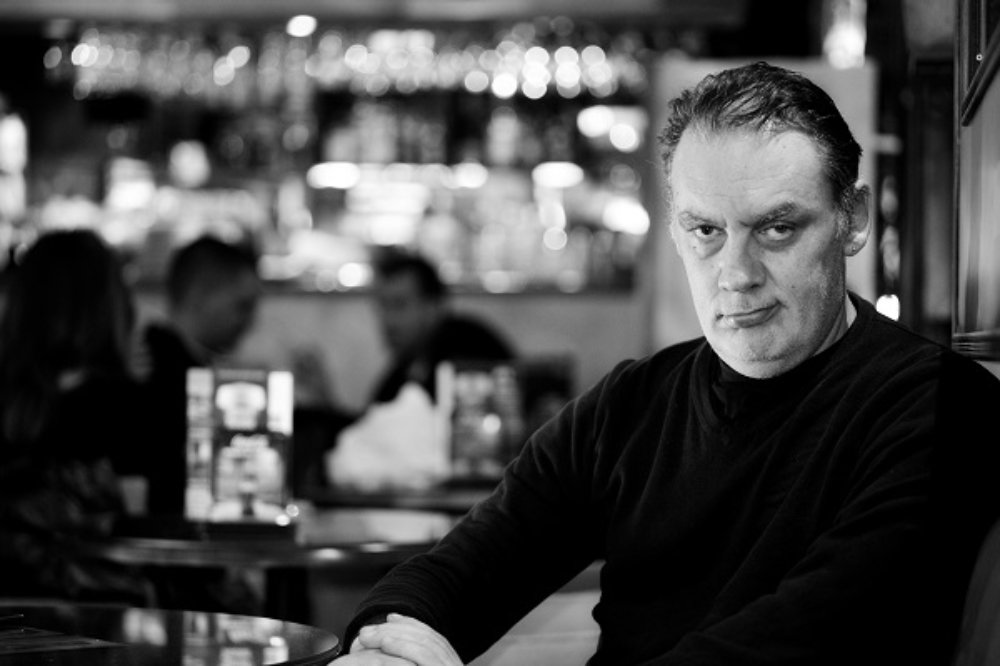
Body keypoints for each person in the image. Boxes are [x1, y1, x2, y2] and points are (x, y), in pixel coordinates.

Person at [332, 62, 1000, 665]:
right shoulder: (631, 404)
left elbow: (805, 640)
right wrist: (395, 643)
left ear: (852, 220)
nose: (735, 274)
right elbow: (463, 567)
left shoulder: (942, 407)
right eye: (706, 230)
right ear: (675, 231)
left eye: (777, 228)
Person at [0, 228, 152, 603]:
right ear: (111, 307)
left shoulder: (12, 400)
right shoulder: (124, 404)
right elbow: (137, 521)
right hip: (100, 609)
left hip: (12, 606)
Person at [135, 234, 262, 515]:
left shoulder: (172, 360)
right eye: (242, 306)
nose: (251, 322)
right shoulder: (157, 372)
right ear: (200, 296)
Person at [367, 248, 515, 406]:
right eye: (382, 305)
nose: (388, 320)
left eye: (399, 305)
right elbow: (379, 408)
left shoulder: (468, 346)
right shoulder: (410, 359)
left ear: (433, 306)